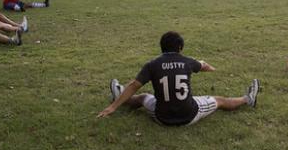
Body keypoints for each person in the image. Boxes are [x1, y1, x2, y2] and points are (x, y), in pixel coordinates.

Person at [97, 31, 259, 126]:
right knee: (219, 100)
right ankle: (247, 99)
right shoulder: (188, 62)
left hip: (161, 117)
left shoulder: (152, 64)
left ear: (161, 47)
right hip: (188, 115)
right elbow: (203, 65)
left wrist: (113, 107)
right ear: (180, 48)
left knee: (142, 97)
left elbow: (133, 85)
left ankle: (120, 96)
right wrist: (212, 69)